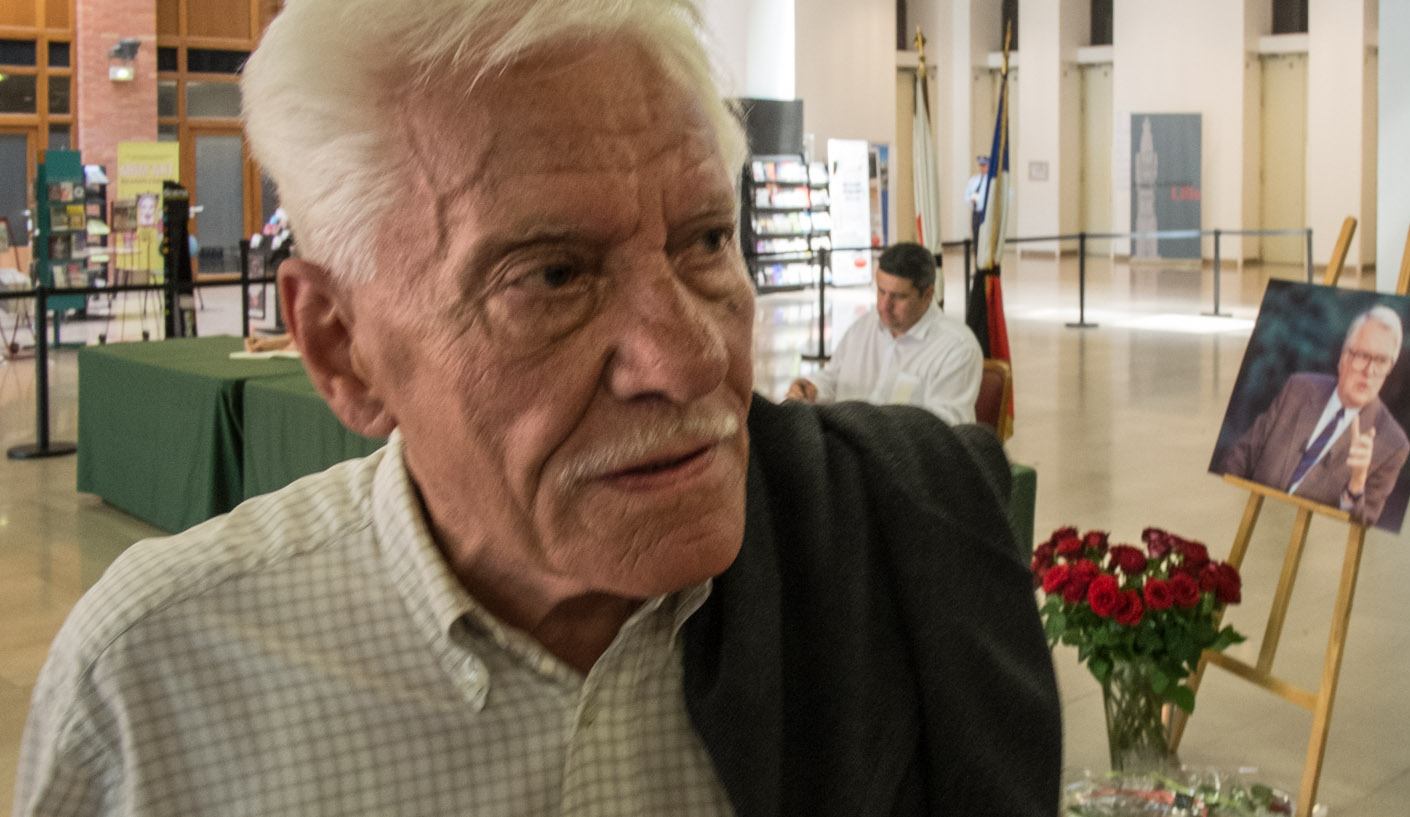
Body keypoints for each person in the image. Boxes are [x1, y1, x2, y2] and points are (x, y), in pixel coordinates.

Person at [12, 1, 1059, 815]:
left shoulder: (897, 541)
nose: (690, 357)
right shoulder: (156, 688)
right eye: (553, 276)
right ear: (341, 348)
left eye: (704, 241)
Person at [1216, 305, 1410, 526]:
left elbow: (1362, 525)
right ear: (1344, 357)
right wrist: (1226, 509)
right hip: (1249, 515)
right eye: (1363, 355)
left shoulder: (1393, 444)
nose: (1369, 371)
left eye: (1381, 361)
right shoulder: (1298, 388)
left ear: (1390, 367)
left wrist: (1356, 484)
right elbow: (1241, 455)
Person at [785, 242, 983, 425]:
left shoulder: (956, 347)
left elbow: (944, 427)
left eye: (898, 296)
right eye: (881, 291)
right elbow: (833, 378)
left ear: (928, 295)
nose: (884, 306)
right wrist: (812, 388)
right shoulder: (865, 326)